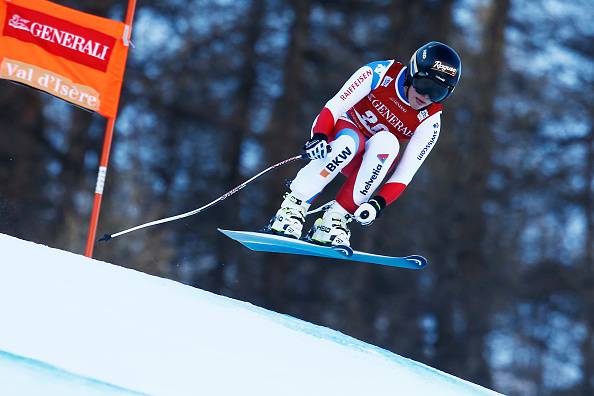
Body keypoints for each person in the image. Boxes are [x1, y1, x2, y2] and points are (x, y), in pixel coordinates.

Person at [267, 41, 462, 247]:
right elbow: (334, 106)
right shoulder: (381, 73)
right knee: (350, 142)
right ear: (413, 74)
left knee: (389, 144)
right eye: (424, 86)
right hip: (340, 134)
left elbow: (406, 172)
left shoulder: (430, 119)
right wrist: (319, 136)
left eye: (438, 93)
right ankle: (293, 207)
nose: (426, 97)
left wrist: (378, 203)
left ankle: (334, 221)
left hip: (365, 160)